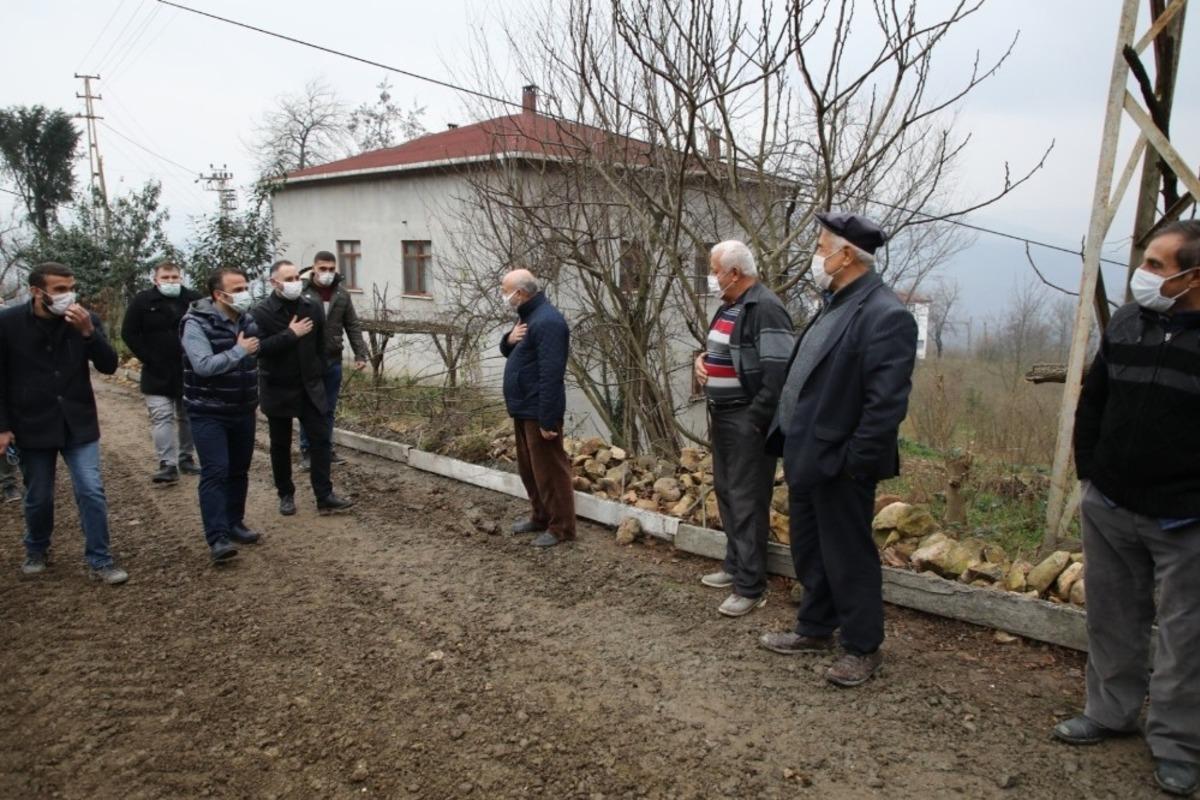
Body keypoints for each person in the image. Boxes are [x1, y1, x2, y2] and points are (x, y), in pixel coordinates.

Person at [1053, 220, 1200, 798]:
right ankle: (1111, 712)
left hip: (1185, 517)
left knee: (1187, 638)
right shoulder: (1132, 323)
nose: (1145, 274)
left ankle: (1179, 744)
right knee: (1112, 618)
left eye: (1159, 266)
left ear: (1192, 276)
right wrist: (1092, 474)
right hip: (1111, 503)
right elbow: (1097, 400)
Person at [759, 211, 917, 688]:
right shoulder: (835, 303)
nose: (816, 255)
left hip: (841, 464)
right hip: (807, 453)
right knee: (810, 549)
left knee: (848, 555)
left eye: (822, 246)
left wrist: (854, 465)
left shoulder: (885, 315)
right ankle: (815, 628)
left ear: (847, 255)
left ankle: (862, 646)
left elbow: (884, 406)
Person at [0, 262, 128, 584]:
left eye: (70, 287)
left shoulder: (83, 320)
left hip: (78, 423)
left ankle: (100, 559)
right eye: (59, 289)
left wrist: (88, 333)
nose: (67, 295)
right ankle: (37, 548)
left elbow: (110, 365)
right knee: (39, 494)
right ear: (36, 291)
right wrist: (3, 427)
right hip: (32, 424)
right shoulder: (7, 324)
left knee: (91, 490)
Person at [693, 240, 794, 618]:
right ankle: (734, 564)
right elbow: (720, 351)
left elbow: (779, 373)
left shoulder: (765, 307)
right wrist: (702, 363)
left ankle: (750, 585)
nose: (712, 275)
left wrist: (756, 420)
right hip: (723, 414)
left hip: (746, 419)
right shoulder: (731, 305)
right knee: (727, 491)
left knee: (748, 498)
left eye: (715, 269)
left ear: (734, 273)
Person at [252, 260, 354, 517]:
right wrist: (290, 334)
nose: (294, 282)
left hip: (310, 385)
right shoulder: (261, 312)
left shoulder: (312, 305)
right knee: (280, 444)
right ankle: (285, 493)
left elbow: (321, 344)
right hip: (278, 386)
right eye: (287, 279)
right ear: (274, 283)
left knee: (320, 440)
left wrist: (319, 370)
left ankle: (324, 495)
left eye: (296, 276)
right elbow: (258, 349)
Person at [180, 267, 263, 562]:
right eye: (237, 289)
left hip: (243, 408)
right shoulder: (195, 324)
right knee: (216, 471)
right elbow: (203, 365)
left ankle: (234, 522)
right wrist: (239, 351)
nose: (244, 293)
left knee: (239, 470)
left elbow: (256, 357)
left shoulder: (248, 319)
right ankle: (217, 538)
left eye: (245, 287)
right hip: (208, 411)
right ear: (218, 294)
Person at [499, 268, 575, 548]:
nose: (503, 295)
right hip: (522, 407)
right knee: (530, 470)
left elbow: (551, 373)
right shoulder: (529, 317)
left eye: (505, 290)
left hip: (537, 409)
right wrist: (508, 339)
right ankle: (540, 516)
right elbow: (514, 350)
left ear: (520, 293)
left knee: (550, 472)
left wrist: (547, 418)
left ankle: (562, 528)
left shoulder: (548, 321)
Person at [121, 261, 202, 484]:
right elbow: (129, 332)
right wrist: (148, 357)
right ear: (155, 279)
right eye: (165, 278)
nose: (170, 281)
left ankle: (187, 458)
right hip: (156, 371)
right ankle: (167, 463)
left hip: (189, 369)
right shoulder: (142, 301)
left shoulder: (194, 300)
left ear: (181, 277)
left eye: (174, 277)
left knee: (187, 416)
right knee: (161, 416)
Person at [297, 250, 369, 471]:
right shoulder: (302, 291)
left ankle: (325, 448)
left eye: (331, 269)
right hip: (308, 360)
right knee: (309, 408)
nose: (327, 273)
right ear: (314, 268)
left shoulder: (341, 293)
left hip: (332, 358)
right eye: (322, 269)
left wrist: (360, 353)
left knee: (328, 408)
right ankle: (307, 450)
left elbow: (352, 324)